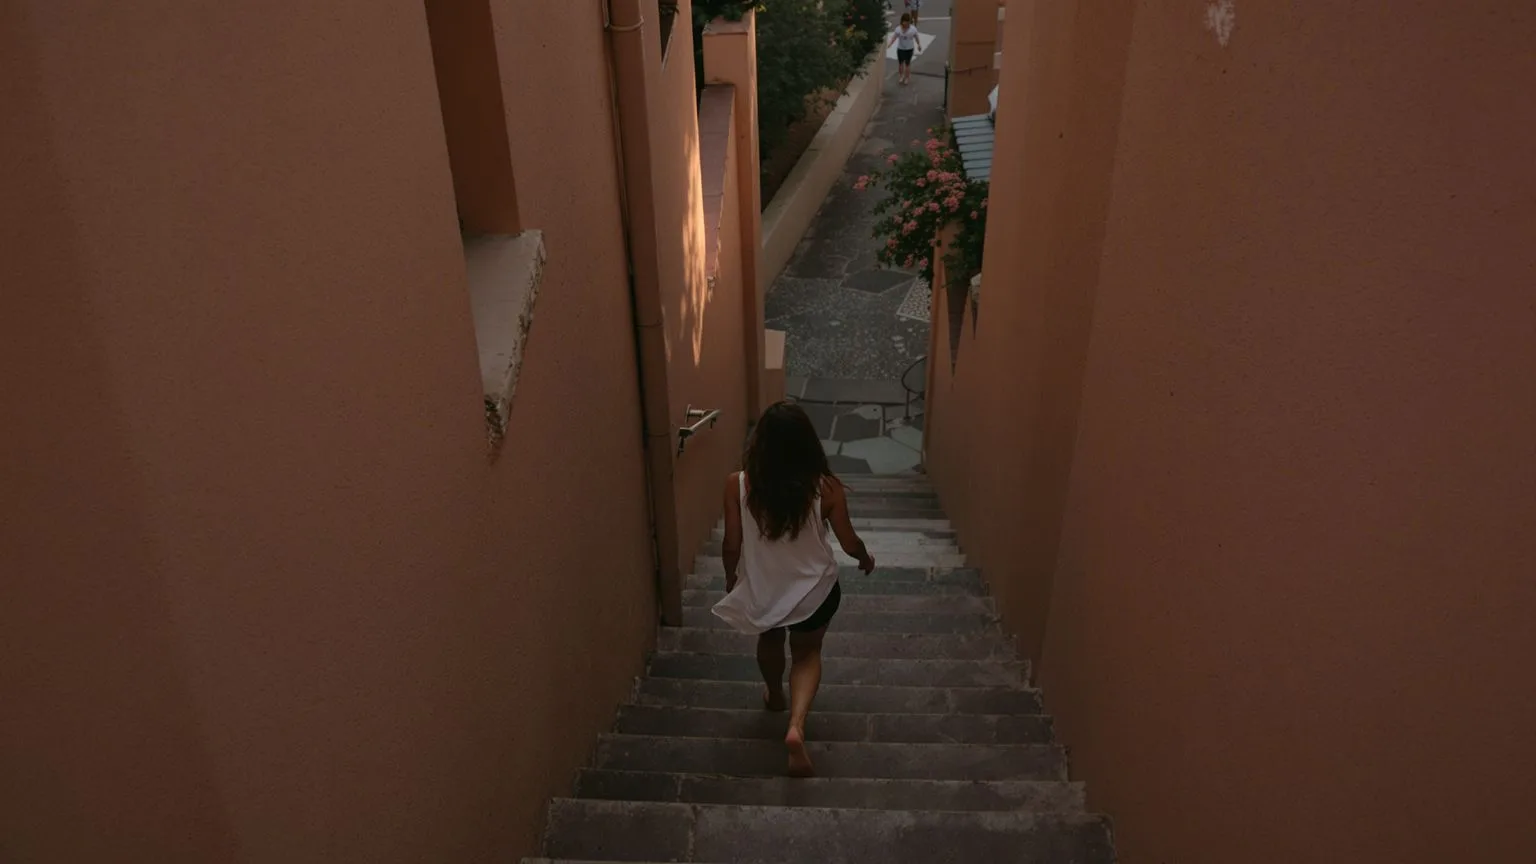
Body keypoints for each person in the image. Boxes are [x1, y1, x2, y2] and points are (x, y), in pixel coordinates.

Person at [713, 403, 876, 777]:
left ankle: (773, 693)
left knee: (769, 640)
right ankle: (796, 725)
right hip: (815, 592)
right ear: (808, 444)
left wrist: (730, 576)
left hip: (765, 588)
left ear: (761, 443)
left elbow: (731, 543)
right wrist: (865, 559)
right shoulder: (826, 487)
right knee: (806, 654)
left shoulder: (737, 484)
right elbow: (848, 541)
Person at [889, 14, 922, 86]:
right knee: (900, 64)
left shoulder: (913, 29)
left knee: (907, 64)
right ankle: (901, 76)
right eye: (905, 22)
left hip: (909, 49)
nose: (906, 24)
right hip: (900, 48)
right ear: (902, 21)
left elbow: (916, 37)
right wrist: (890, 44)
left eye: (908, 22)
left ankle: (907, 78)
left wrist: (919, 45)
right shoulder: (898, 29)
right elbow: (894, 37)